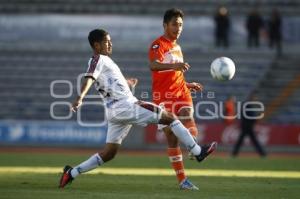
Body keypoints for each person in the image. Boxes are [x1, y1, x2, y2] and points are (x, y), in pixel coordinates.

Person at [59, 29, 217, 189]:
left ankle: (71, 173)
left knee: (109, 153)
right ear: (96, 45)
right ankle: (198, 151)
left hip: (114, 112)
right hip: (126, 106)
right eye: (107, 41)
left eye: (110, 40)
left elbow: (108, 83)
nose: (110, 44)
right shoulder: (98, 59)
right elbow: (89, 78)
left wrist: (127, 83)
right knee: (170, 117)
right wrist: (79, 98)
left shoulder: (106, 61)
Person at [148, 8, 205, 190]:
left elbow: (174, 76)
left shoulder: (177, 47)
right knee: (171, 139)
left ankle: (193, 149)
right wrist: (176, 65)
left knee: (188, 113)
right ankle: (183, 180)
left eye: (180, 25)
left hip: (180, 92)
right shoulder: (158, 45)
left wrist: (188, 84)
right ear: (165, 25)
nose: (178, 28)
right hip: (163, 97)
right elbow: (154, 65)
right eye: (174, 24)